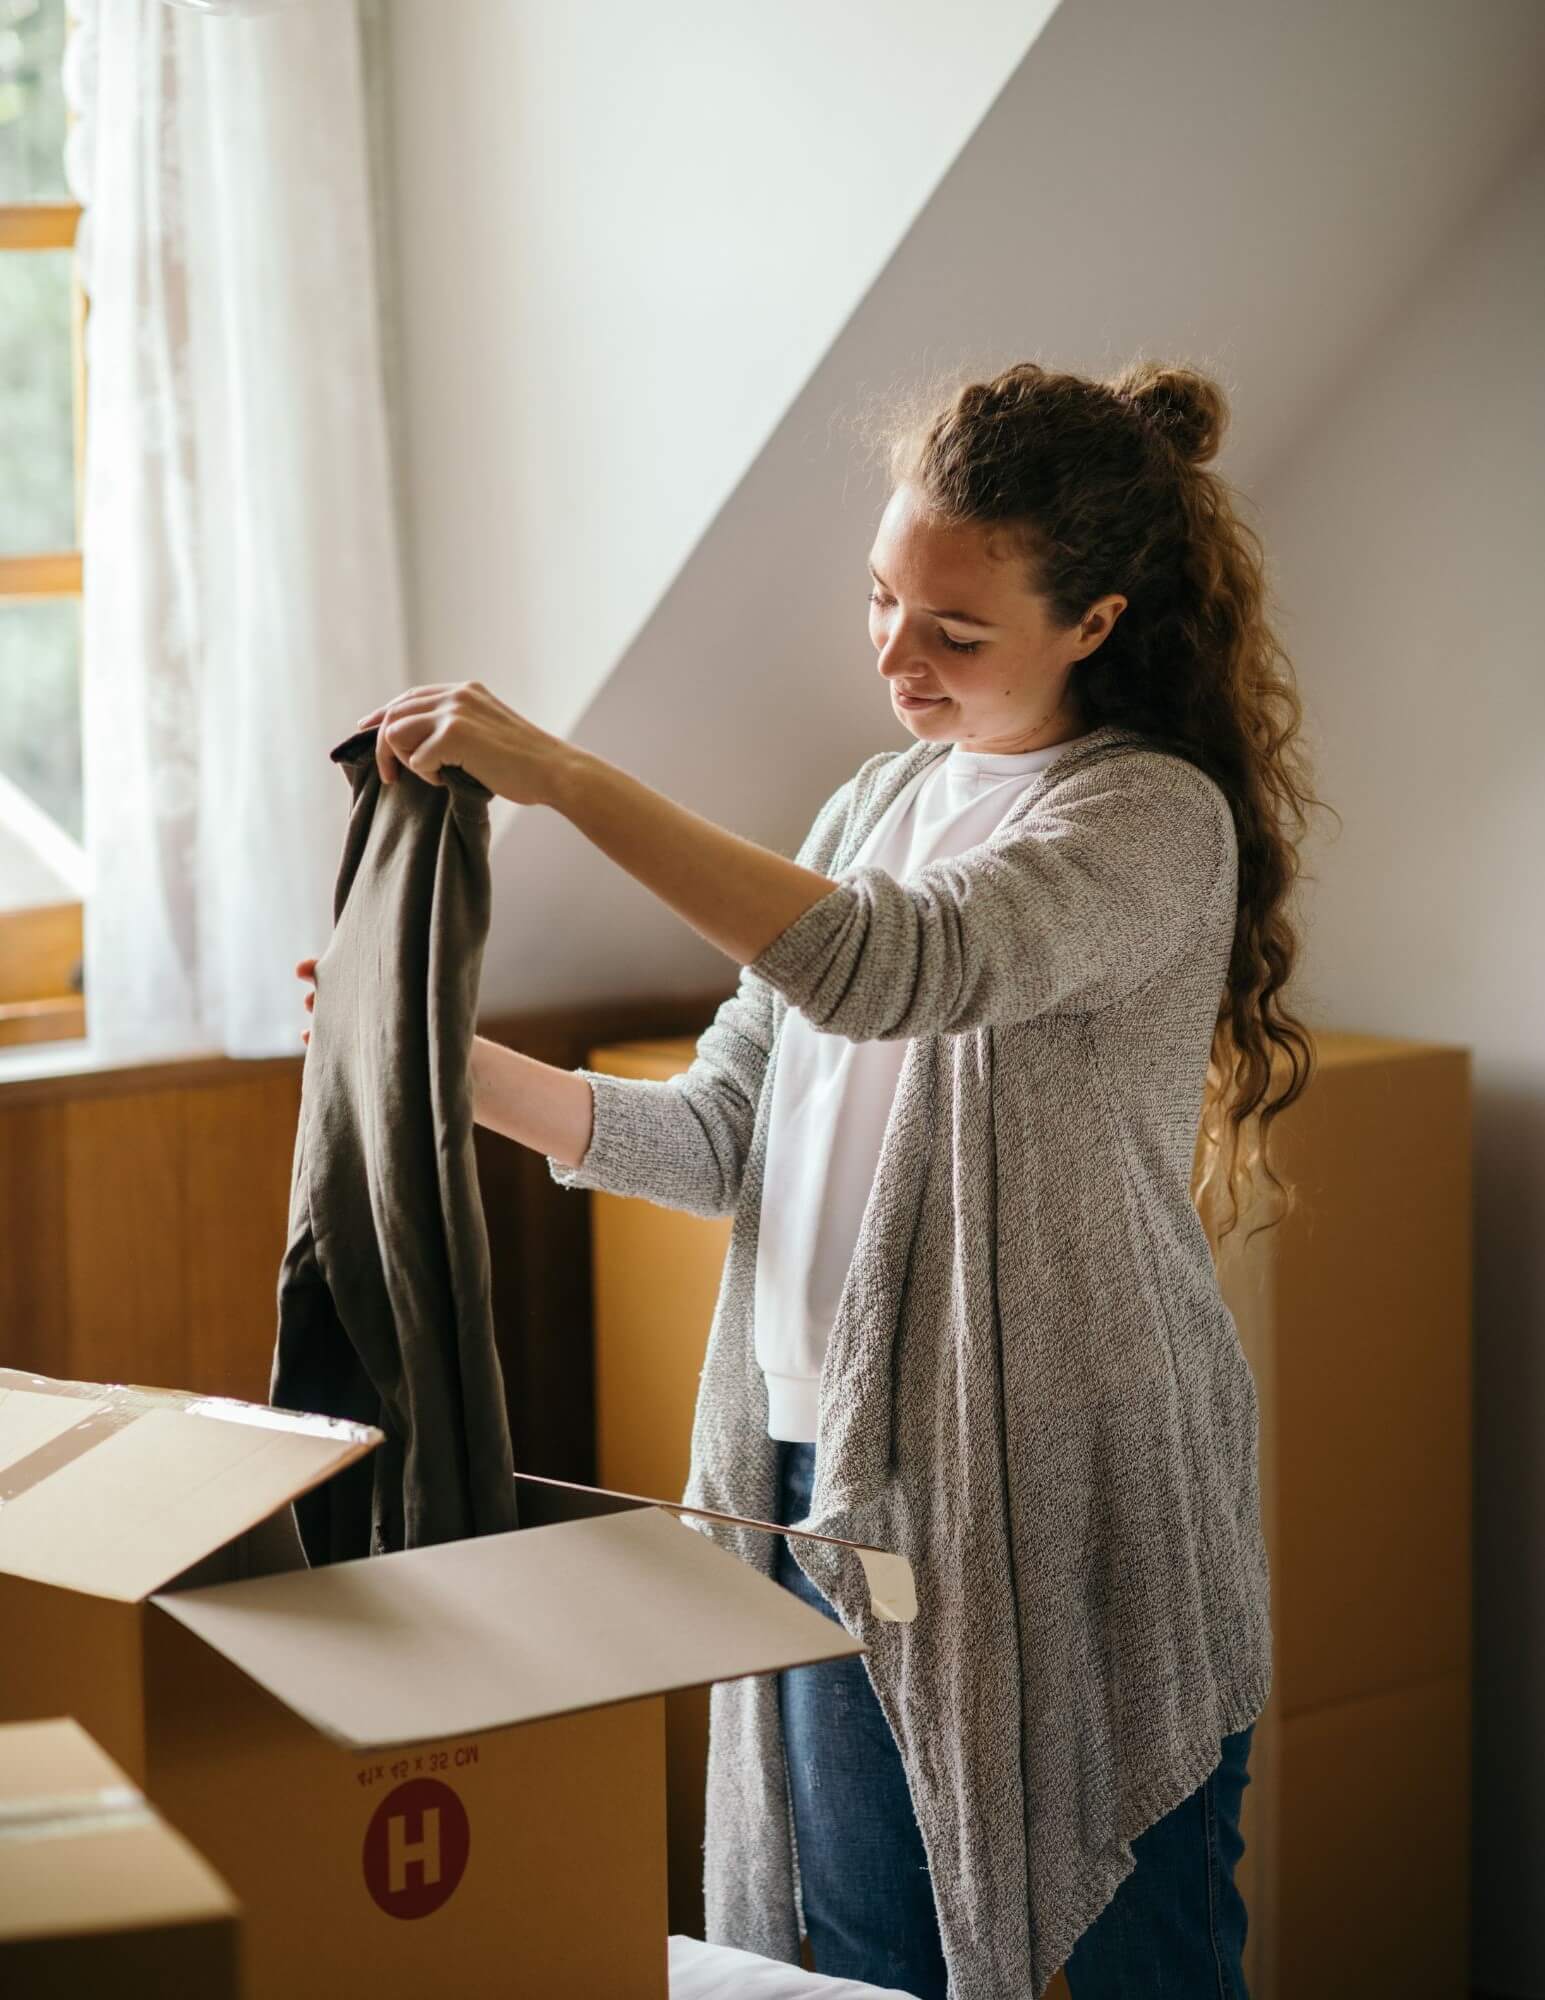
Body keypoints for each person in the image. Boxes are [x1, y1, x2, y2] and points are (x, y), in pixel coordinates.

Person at [298, 358, 1322, 1998]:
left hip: (1060, 1481)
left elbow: (886, 969)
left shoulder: (1146, 822)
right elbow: (715, 1138)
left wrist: (566, 778)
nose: (897, 658)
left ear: (1096, 622)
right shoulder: (872, 804)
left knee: (1140, 1961)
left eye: (955, 632)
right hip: (811, 1469)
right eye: (878, 602)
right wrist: (428, 1058)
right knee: (864, 1960)